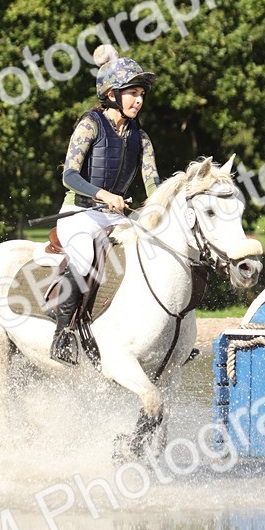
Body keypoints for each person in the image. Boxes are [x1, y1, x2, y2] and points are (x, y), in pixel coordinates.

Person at [50, 44, 161, 364]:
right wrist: (105, 196)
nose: (139, 100)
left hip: (115, 219)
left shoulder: (141, 138)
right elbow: (69, 176)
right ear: (112, 94)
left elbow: (153, 183)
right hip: (79, 213)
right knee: (85, 258)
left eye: (141, 94)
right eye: (132, 93)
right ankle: (63, 334)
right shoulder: (90, 125)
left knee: (150, 252)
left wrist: (160, 208)